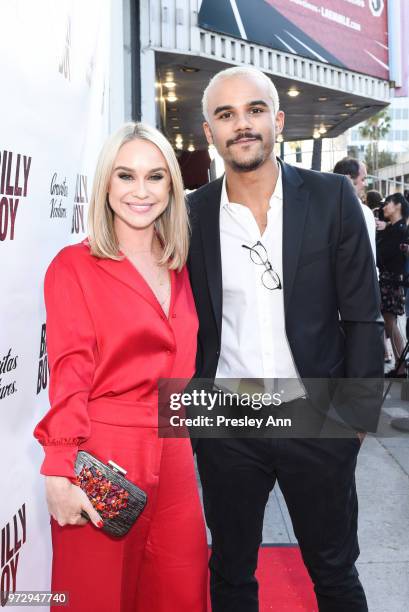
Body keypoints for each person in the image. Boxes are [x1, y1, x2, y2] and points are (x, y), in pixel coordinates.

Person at [187, 66, 383, 612]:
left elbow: (363, 317)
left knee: (335, 573)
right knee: (230, 573)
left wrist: (356, 417)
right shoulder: (190, 214)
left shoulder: (331, 199)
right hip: (227, 418)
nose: (241, 124)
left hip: (316, 414)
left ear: (277, 120)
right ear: (209, 131)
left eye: (253, 110)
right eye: (225, 114)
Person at [34, 122, 208, 612]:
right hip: (103, 455)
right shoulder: (74, 266)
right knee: (95, 597)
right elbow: (70, 373)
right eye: (125, 176)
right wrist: (59, 468)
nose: (140, 191)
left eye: (155, 177)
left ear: (171, 186)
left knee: (181, 591)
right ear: (105, 185)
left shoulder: (178, 264)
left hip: (174, 451)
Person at [376, 192, 409, 377]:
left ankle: (401, 366)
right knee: (390, 323)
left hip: (392, 280)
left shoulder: (401, 230)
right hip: (390, 280)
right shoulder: (394, 228)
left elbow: (384, 255)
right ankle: (400, 365)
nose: (384, 206)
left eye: (388, 203)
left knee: (390, 322)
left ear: (398, 206)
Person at [333, 157, 376, 261]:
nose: (365, 184)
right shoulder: (364, 212)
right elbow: (370, 256)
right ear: (348, 179)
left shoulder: (323, 210)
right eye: (363, 179)